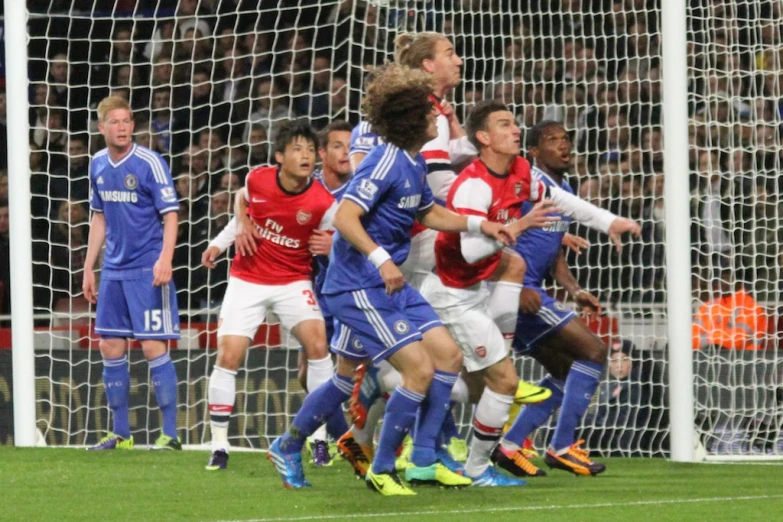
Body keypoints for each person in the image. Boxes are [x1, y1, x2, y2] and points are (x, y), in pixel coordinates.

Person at [267, 64, 513, 495]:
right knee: (419, 369)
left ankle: (413, 460)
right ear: (411, 119)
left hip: (388, 286)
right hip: (359, 286)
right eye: (430, 112)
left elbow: (426, 213)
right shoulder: (383, 162)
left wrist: (479, 226)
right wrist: (382, 259)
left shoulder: (413, 163)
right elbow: (345, 217)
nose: (437, 118)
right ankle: (383, 467)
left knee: (441, 359)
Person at [421, 104, 638, 484]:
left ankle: (480, 460)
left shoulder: (521, 171)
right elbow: (471, 252)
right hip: (457, 293)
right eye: (505, 124)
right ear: (484, 138)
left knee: (506, 380)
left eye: (516, 123)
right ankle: (429, 454)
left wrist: (608, 221)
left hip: (486, 290)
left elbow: (559, 202)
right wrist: (518, 229)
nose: (516, 129)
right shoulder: (473, 184)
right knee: (452, 381)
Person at [494, 120, 640, 477]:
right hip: (516, 292)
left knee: (562, 371)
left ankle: (510, 446)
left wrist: (575, 290)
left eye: (566, 139)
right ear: (533, 152)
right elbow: (496, 234)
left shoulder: (564, 190)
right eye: (552, 140)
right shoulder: (521, 187)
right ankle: (561, 446)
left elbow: (554, 251)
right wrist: (517, 284)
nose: (563, 145)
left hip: (529, 290)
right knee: (594, 352)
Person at [200, 120, 338, 471]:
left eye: (310, 150)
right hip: (248, 279)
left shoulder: (323, 202)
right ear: (279, 156)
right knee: (229, 357)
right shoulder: (256, 179)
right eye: (297, 149)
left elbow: (334, 241)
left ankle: (319, 438)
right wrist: (221, 242)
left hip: (294, 280)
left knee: (318, 347)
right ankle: (218, 444)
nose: (305, 156)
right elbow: (243, 203)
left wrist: (331, 245)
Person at [83, 96, 181, 451]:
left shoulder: (149, 163)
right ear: (102, 127)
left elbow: (171, 214)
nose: (124, 128)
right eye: (116, 122)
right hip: (113, 270)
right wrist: (89, 266)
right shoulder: (96, 164)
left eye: (128, 121)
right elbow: (99, 217)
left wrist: (165, 258)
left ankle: (170, 433)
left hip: (147, 269)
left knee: (153, 345)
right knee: (109, 345)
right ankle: (121, 433)